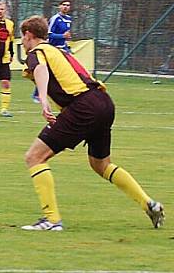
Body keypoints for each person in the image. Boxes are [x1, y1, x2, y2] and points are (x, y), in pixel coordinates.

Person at [18, 15, 164, 231]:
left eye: (22, 37)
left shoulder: (37, 52)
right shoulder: (60, 52)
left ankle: (51, 220)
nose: (22, 41)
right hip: (103, 102)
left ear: (29, 35)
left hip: (83, 107)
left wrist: (43, 101)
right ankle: (149, 204)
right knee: (101, 164)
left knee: (34, 157)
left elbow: (40, 70)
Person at [33, 0, 73, 103]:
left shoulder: (69, 19)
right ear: (59, 6)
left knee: (67, 70)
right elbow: (49, 34)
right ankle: (36, 94)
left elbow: (66, 35)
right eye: (63, 5)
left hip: (63, 48)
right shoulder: (55, 18)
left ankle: (67, 92)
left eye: (68, 5)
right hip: (53, 48)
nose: (65, 7)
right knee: (47, 72)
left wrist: (67, 44)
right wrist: (62, 36)